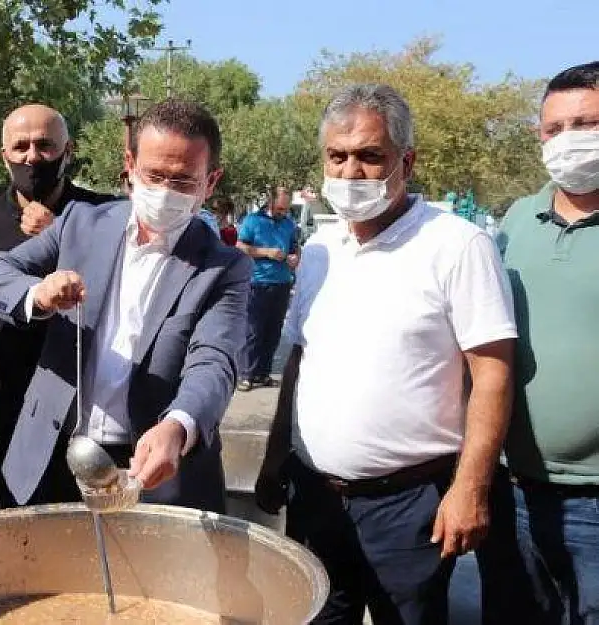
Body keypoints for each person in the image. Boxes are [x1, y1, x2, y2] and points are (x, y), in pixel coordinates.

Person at [254, 84, 517, 625]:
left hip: (410, 507)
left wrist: (471, 487)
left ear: (406, 161)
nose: (351, 172)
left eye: (370, 156)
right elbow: (301, 358)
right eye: (337, 156)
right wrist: (275, 453)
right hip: (316, 495)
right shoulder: (323, 249)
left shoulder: (458, 246)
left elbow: (492, 375)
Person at [0, 99, 251, 512]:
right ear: (130, 166)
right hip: (54, 457)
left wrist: (180, 424)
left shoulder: (223, 267)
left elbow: (215, 359)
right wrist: (38, 294)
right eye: (154, 176)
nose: (165, 192)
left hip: (153, 470)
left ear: (211, 182)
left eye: (184, 181)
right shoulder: (81, 224)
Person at [0, 103, 115, 510]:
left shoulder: (103, 216)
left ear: (68, 149)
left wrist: (59, 236)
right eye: (20, 146)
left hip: (89, 406)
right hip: (11, 402)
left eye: (45, 145)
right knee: (21, 527)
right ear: (3, 155)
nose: (32, 157)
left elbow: (120, 296)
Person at [497, 60, 599, 625]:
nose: (567, 141)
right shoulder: (517, 220)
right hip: (513, 488)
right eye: (553, 129)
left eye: (584, 124)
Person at [235, 186, 299, 391]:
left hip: (282, 283)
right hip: (257, 283)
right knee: (253, 331)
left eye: (286, 209)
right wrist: (266, 252)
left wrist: (295, 257)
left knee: (273, 332)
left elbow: (295, 246)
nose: (283, 212)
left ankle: (263, 374)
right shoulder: (253, 221)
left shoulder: (289, 224)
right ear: (270, 202)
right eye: (280, 208)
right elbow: (240, 246)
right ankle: (247, 374)